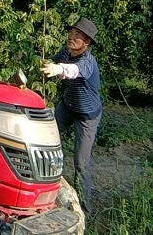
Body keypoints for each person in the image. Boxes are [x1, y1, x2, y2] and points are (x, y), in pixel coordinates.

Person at [40, 16, 102, 215]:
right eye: (71, 32)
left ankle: (83, 209)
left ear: (87, 42)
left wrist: (58, 69)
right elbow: (57, 62)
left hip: (87, 116)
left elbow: (73, 70)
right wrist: (48, 64)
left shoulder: (87, 62)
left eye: (77, 34)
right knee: (44, 141)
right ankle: (44, 190)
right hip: (67, 107)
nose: (71, 36)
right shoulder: (66, 52)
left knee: (81, 163)